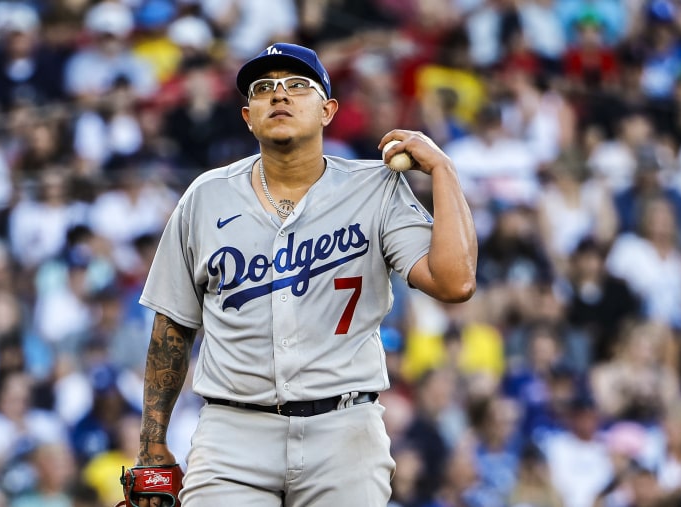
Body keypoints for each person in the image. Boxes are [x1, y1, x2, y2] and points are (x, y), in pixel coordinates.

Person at [134, 42, 478, 506]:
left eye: (297, 86)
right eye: (264, 88)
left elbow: (455, 282)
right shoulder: (205, 197)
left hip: (344, 431)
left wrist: (444, 169)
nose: (279, 95)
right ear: (247, 117)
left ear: (328, 111)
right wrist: (152, 445)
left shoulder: (375, 189)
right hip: (233, 433)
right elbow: (172, 325)